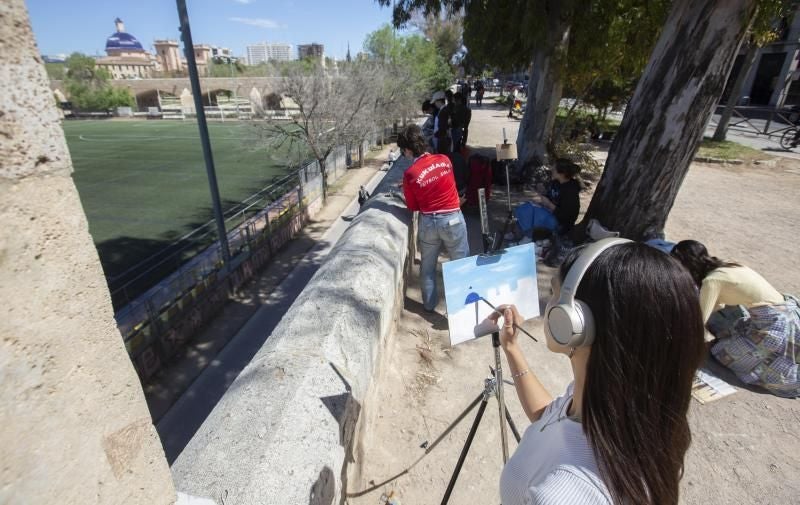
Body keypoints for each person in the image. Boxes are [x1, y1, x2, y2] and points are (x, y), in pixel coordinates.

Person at [489, 240, 705, 505]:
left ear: (573, 321)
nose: (549, 303)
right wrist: (511, 348)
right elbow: (549, 417)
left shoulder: (566, 495)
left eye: (553, 292)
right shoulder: (613, 401)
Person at [670, 240, 800, 398]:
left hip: (774, 325)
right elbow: (720, 305)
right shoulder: (729, 265)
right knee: (727, 335)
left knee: (722, 353)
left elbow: (698, 321)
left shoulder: (712, 282)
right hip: (782, 312)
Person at [399, 124, 469, 312]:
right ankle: (460, 310)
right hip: (453, 219)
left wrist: (410, 188)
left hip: (429, 222)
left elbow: (413, 207)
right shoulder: (445, 160)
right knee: (461, 264)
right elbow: (447, 185)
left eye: (403, 151)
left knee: (428, 268)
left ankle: (429, 306)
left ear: (407, 150)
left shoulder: (410, 174)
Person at [509, 158, 581, 241]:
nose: (551, 170)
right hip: (551, 213)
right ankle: (518, 233)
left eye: (554, 169)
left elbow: (565, 216)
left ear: (562, 174)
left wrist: (549, 204)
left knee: (534, 212)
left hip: (561, 224)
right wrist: (542, 192)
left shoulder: (570, 191)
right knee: (527, 207)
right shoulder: (557, 182)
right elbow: (551, 196)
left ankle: (527, 237)